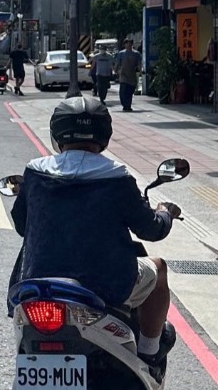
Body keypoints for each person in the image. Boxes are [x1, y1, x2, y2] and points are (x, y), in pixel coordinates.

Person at [10, 97, 179, 378]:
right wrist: (165, 213)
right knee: (159, 268)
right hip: (105, 285)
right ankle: (150, 353)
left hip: (38, 284)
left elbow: (21, 224)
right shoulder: (116, 176)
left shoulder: (36, 171)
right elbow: (151, 230)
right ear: (104, 135)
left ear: (57, 133)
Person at [116, 39, 143, 112]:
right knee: (123, 91)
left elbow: (139, 64)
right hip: (123, 74)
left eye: (130, 44)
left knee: (130, 91)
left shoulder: (136, 54)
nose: (129, 45)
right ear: (125, 45)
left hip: (132, 75)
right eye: (127, 44)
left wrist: (140, 70)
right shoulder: (121, 53)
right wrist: (115, 71)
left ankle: (128, 105)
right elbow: (118, 63)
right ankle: (124, 104)